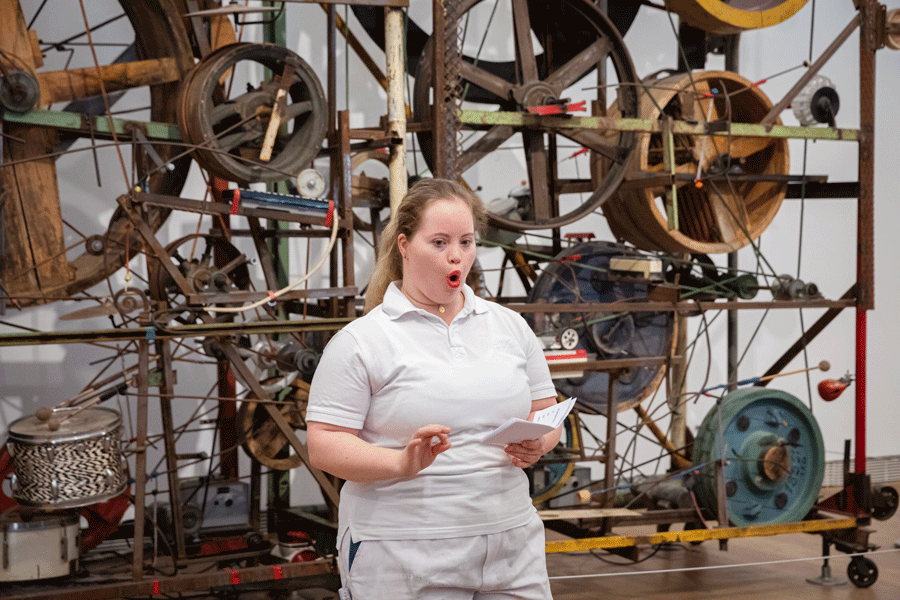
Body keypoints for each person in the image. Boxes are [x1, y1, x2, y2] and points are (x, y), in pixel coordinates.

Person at [306, 178, 561, 599]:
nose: (456, 256)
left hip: (511, 543)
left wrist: (541, 442)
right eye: (439, 242)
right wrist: (399, 464)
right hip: (402, 550)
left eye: (466, 241)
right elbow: (325, 445)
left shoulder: (509, 327)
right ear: (404, 245)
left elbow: (546, 411)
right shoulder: (363, 341)